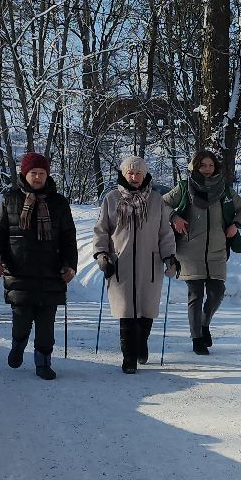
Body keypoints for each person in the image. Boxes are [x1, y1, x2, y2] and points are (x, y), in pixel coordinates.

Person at [0, 152, 77, 378]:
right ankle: (18, 345)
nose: (38, 177)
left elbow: (69, 236)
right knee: (21, 320)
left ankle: (43, 362)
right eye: (33, 173)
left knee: (46, 324)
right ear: (24, 173)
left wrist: (70, 265)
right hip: (19, 270)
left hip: (51, 271)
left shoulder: (59, 203)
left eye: (41, 173)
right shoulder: (9, 199)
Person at [94, 154, 178, 375]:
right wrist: (102, 254)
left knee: (146, 311)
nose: (134, 177)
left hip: (150, 264)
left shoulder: (156, 201)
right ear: (124, 174)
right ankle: (129, 357)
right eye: (130, 173)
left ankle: (142, 342)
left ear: (145, 175)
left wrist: (170, 256)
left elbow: (165, 233)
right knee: (126, 312)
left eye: (138, 173)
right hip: (120, 263)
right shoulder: (111, 199)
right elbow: (102, 230)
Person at [163, 149, 241, 354]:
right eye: (203, 165)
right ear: (195, 166)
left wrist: (236, 224)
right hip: (189, 249)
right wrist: (174, 217)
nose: (208, 169)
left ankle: (204, 324)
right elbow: (162, 203)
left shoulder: (225, 190)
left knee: (217, 292)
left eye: (211, 165)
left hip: (217, 250)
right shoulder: (185, 187)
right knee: (196, 293)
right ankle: (197, 339)